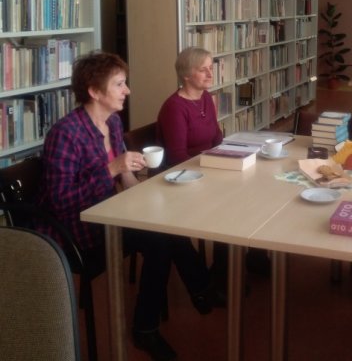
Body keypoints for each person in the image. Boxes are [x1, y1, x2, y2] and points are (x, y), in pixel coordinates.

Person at [39, 52, 217, 361]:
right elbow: (60, 200)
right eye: (120, 84)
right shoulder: (65, 134)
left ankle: (201, 290)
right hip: (78, 229)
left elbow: (126, 179)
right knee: (159, 240)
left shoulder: (112, 122)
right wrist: (111, 169)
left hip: (111, 211)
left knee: (166, 225)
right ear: (95, 91)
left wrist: (145, 193)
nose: (128, 91)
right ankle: (150, 325)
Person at [157, 47, 270, 282]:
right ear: (186, 75)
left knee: (256, 193)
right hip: (185, 179)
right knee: (230, 207)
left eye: (211, 68)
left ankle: (254, 258)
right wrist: (214, 167)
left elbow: (216, 139)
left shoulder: (206, 98)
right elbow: (177, 157)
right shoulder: (174, 107)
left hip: (209, 169)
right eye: (203, 70)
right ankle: (222, 275)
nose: (210, 74)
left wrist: (230, 158)